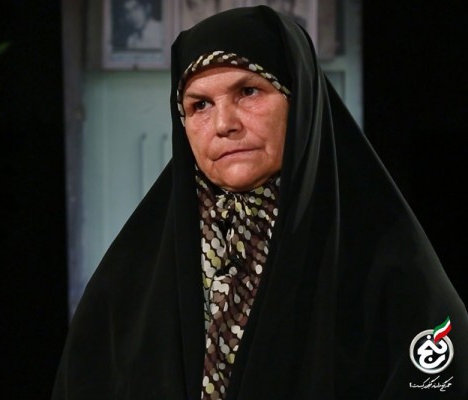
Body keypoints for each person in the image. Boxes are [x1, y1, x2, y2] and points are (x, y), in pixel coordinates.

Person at [51, 6, 468, 399]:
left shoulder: (384, 261)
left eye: (249, 91)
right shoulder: (131, 276)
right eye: (199, 105)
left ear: (299, 100)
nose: (224, 124)